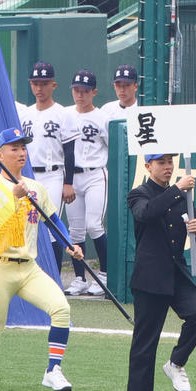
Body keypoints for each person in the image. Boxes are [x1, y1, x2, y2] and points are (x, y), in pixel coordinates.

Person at [0, 128, 82, 391]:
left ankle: (52, 370)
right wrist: (13, 199)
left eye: (23, 148)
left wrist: (69, 243)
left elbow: (53, 218)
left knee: (61, 309)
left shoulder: (35, 187)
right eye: (14, 148)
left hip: (29, 267)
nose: (21, 153)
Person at [125, 153, 196, 391]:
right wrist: (177, 189)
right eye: (161, 163)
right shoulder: (139, 194)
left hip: (177, 271)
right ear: (148, 166)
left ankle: (176, 362)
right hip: (150, 276)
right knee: (146, 339)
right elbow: (147, 214)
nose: (168, 167)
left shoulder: (182, 197)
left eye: (170, 162)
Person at [16, 61, 78, 273]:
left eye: (43, 83)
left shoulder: (63, 113)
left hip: (53, 174)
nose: (39, 88)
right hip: (28, 175)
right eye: (35, 83)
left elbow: (70, 151)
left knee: (51, 227)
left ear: (53, 85)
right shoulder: (25, 114)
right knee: (26, 224)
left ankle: (55, 278)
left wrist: (69, 183)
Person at [63, 70, 110, 296]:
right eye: (76, 90)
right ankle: (80, 278)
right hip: (72, 177)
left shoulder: (102, 118)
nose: (80, 95)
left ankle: (105, 274)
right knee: (75, 230)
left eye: (84, 91)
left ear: (94, 92)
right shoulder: (65, 114)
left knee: (94, 224)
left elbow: (113, 145)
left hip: (95, 174)